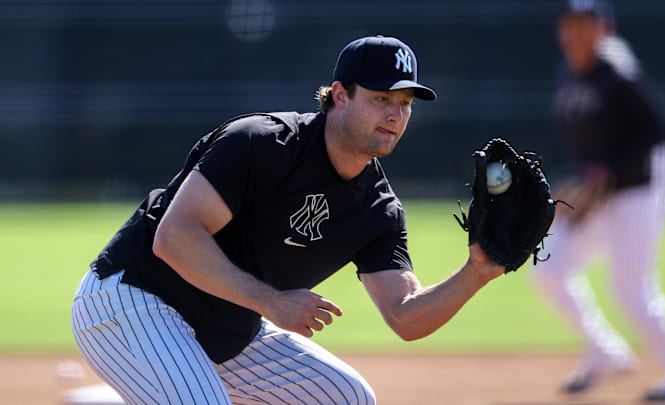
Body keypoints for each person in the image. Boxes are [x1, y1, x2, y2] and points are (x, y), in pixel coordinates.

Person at [71, 35, 506, 404]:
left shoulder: (378, 210)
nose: (395, 114)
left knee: (348, 398)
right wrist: (270, 302)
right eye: (380, 99)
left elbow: (406, 316)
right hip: (131, 298)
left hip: (226, 331)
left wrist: (478, 272)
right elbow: (175, 237)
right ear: (340, 95)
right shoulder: (262, 144)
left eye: (405, 103)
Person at [531, 1, 665, 402]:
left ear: (604, 29)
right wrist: (583, 184)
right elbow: (586, 145)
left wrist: (605, 174)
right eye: (571, 24)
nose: (577, 32)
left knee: (631, 289)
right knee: (549, 268)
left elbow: (652, 139)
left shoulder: (619, 73)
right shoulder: (568, 74)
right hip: (600, 191)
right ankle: (605, 352)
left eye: (586, 24)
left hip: (638, 189)